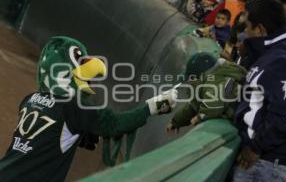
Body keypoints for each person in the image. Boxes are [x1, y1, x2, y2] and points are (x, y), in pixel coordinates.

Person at [0, 36, 178, 181]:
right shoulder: (75, 105)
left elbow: (48, 130)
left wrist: (78, 134)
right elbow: (114, 124)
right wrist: (154, 106)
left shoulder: (29, 100)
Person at [232, 0, 286, 182]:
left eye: (247, 26)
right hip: (267, 163)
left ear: (261, 29)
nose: (244, 32)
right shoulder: (277, 52)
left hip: (268, 165)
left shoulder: (282, 59)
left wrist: (256, 147)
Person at [165, 52, 246, 133]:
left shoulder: (217, 80)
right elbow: (194, 105)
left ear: (202, 75)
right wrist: (175, 122)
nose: (189, 82)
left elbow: (214, 103)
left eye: (192, 78)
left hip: (242, 123)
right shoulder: (207, 84)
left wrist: (200, 117)